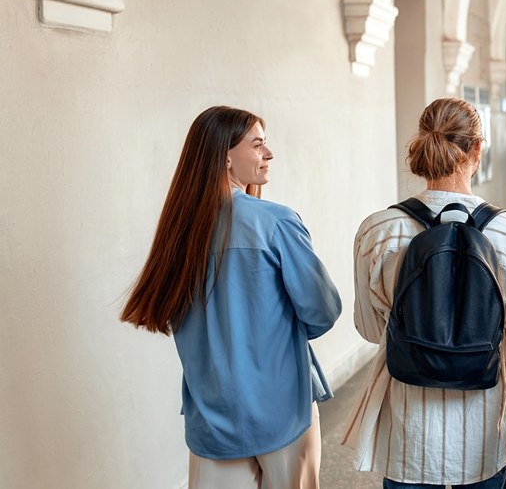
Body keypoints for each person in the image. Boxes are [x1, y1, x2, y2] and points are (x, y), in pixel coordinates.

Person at [342, 97, 506, 489]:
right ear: (477, 148)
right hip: (484, 429)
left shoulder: (377, 231)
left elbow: (368, 327)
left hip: (407, 429)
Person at [120, 105, 342, 489]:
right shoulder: (276, 222)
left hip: (212, 413)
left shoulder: (178, 233)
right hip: (283, 406)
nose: (268, 154)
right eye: (257, 145)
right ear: (225, 155)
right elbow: (323, 311)